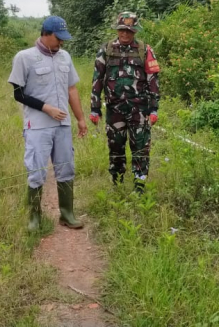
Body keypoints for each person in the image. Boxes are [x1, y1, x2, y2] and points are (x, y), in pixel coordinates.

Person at [8, 16, 88, 231]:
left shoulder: (65, 57)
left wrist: (80, 118)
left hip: (62, 125)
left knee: (66, 167)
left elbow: (72, 89)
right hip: (38, 125)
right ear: (46, 34)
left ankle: (67, 214)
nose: (61, 43)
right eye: (58, 38)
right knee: (36, 170)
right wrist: (47, 108)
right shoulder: (25, 57)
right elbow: (18, 94)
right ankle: (34, 218)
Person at [90, 12, 160, 194]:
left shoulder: (145, 50)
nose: (125, 34)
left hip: (140, 110)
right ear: (118, 30)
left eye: (129, 31)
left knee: (141, 148)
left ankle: (139, 186)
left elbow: (153, 80)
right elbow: (97, 79)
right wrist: (94, 108)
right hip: (115, 110)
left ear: (135, 31)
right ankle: (117, 183)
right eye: (122, 30)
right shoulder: (106, 49)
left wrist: (154, 108)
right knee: (116, 147)